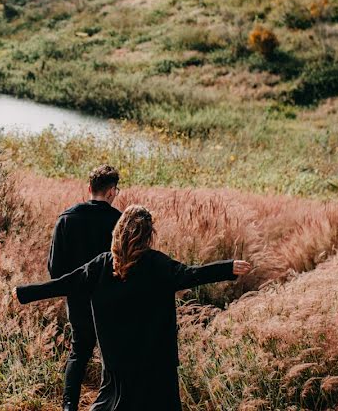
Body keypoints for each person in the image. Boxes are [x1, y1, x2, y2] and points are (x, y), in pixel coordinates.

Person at [18, 205, 252, 411]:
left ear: (118, 232)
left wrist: (25, 292)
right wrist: (227, 268)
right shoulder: (157, 264)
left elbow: (66, 283)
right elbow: (191, 275)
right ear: (148, 236)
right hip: (155, 361)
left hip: (117, 360)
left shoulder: (102, 265)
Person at [47, 165, 122, 410]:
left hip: (78, 299)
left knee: (79, 353)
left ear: (89, 188)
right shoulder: (120, 222)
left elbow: (55, 269)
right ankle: (109, 404)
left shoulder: (66, 219)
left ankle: (69, 406)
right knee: (112, 355)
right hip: (112, 299)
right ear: (112, 191)